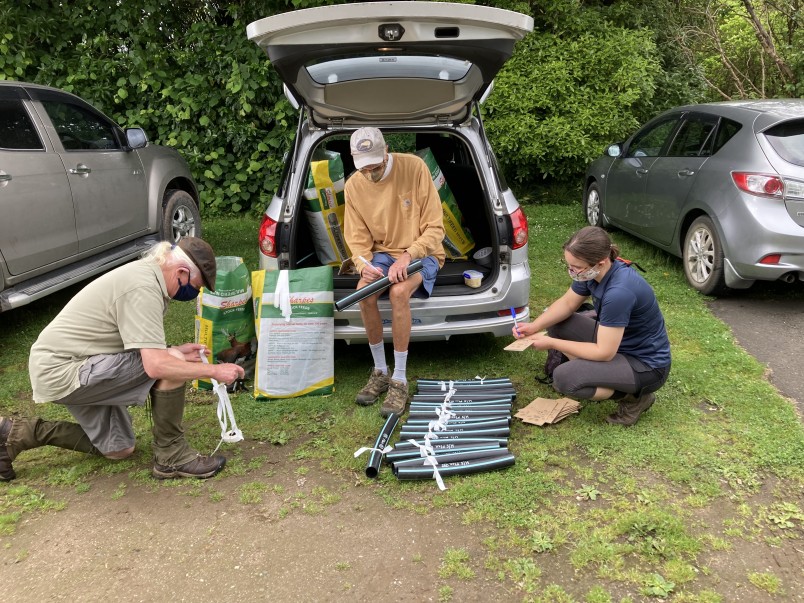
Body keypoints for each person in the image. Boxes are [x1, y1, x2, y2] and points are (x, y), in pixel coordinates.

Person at [0, 238, 245, 482]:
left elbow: (127, 340)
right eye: (197, 285)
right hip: (63, 369)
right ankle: (172, 457)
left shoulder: (148, 277)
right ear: (181, 272)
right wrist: (214, 371)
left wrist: (172, 349)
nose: (195, 293)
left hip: (74, 363)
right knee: (170, 361)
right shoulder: (143, 287)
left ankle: (22, 432)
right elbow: (156, 365)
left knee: (118, 448)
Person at [513, 226, 671, 426]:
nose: (572, 271)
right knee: (558, 322)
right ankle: (594, 373)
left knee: (565, 378)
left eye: (576, 267)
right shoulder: (591, 273)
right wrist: (533, 326)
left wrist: (551, 342)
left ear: (601, 262)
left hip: (645, 366)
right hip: (617, 345)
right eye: (569, 265)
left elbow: (604, 352)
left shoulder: (619, 293)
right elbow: (568, 304)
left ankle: (636, 398)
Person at [344, 127, 445, 417]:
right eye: (364, 167)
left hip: (422, 251)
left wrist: (408, 256)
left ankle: (399, 380)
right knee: (363, 295)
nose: (370, 173)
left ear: (386, 149)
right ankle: (380, 371)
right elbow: (356, 238)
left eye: (375, 165)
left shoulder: (414, 167)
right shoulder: (353, 186)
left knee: (399, 292)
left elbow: (435, 228)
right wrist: (365, 265)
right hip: (382, 254)